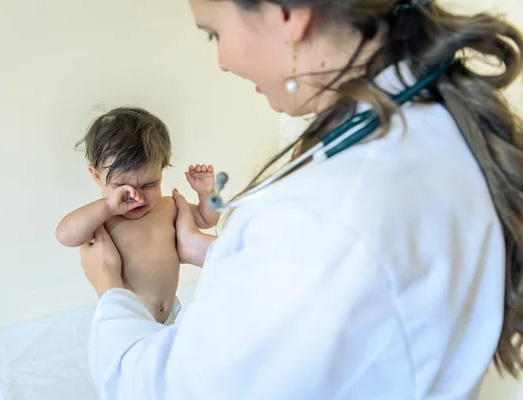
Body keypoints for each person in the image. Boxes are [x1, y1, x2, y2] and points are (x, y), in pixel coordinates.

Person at [79, 0, 523, 398]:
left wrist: (109, 289)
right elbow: (342, 285)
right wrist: (209, 252)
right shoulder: (428, 122)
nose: (222, 61)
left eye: (215, 33)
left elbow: (157, 386)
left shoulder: (325, 212)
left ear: (286, 14)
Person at [56, 106, 219, 324]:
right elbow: (65, 235)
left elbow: (207, 219)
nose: (137, 196)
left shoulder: (168, 207)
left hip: (170, 313)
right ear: (96, 175)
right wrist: (109, 208)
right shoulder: (103, 219)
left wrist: (206, 193)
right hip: (130, 320)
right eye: (122, 186)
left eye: (150, 184)